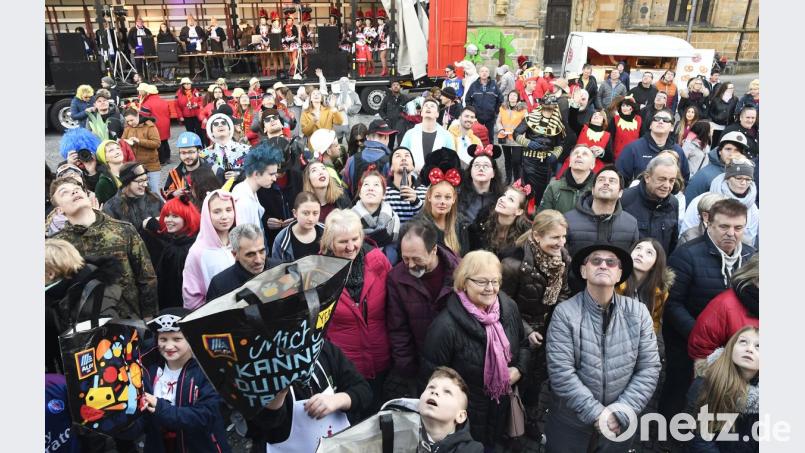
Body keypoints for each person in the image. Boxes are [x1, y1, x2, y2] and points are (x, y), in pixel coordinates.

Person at [544, 243, 661, 452]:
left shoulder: (639, 313)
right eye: (596, 260)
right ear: (583, 271)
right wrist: (598, 414)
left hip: (619, 423)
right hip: (570, 422)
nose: (603, 265)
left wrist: (620, 413)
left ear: (620, 274)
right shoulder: (565, 313)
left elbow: (649, 368)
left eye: (611, 262)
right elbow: (561, 372)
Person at [421, 250, 530, 449]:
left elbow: (523, 345)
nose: (490, 288)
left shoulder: (509, 307)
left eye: (495, 281)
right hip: (467, 421)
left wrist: (519, 369)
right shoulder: (445, 327)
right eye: (482, 282)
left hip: (502, 411)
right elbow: (433, 376)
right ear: (464, 282)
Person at [659, 198, 756, 420]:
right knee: (679, 391)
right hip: (686, 341)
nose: (731, 233)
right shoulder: (686, 255)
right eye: (724, 226)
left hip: (734, 344)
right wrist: (700, 334)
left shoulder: (751, 256)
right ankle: (666, 431)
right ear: (709, 224)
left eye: (738, 228)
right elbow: (672, 304)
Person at [499, 209, 571, 440]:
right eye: (555, 237)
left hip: (548, 330)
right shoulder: (512, 264)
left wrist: (558, 320)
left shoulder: (562, 259)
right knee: (516, 381)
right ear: (537, 236)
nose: (561, 243)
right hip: (519, 333)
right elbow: (503, 305)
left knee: (536, 381)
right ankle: (509, 427)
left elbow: (563, 292)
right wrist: (528, 330)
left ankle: (529, 420)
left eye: (563, 237)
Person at [121, 308, 231, 452]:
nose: (168, 346)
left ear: (191, 338)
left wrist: (161, 409)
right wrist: (121, 422)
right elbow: (143, 421)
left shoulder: (207, 370)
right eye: (163, 339)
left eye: (177, 339)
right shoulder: (148, 370)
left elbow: (205, 416)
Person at [48, 177, 157, 319]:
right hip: (81, 324)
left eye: (77, 189)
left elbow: (146, 276)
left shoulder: (123, 230)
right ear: (59, 210)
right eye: (64, 192)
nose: (74, 192)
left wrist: (148, 317)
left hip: (128, 320)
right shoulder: (58, 245)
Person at [320, 209, 392, 414]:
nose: (351, 247)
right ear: (330, 242)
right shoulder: (318, 272)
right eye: (343, 242)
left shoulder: (378, 261)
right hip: (346, 367)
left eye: (355, 239)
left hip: (382, 360)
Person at [248, 338, 371, 450]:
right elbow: (264, 427)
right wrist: (280, 389)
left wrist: (339, 400)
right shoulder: (259, 369)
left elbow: (364, 390)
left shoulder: (325, 350)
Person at [386, 219, 461, 392]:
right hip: (420, 366)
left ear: (433, 250)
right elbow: (398, 329)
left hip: (457, 363)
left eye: (417, 259)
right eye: (405, 258)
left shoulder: (460, 272)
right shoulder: (396, 278)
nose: (411, 265)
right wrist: (407, 369)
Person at [45, 239, 122, 373]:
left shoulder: (92, 298)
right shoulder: (62, 292)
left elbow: (104, 345)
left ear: (51, 274)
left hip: (92, 372)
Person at [685, 327, 759, 453]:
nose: (749, 349)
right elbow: (700, 437)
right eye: (743, 342)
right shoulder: (709, 380)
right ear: (731, 348)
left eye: (758, 346)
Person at [688, 254, 759, 364]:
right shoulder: (725, 304)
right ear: (754, 278)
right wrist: (725, 373)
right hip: (730, 373)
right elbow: (701, 351)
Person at [564, 165, 639, 258]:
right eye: (601, 180)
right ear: (593, 190)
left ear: (620, 193)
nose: (606, 183)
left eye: (612, 181)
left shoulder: (631, 224)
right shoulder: (568, 220)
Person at [683, 157, 759, 246]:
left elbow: (750, 241)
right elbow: (688, 233)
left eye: (748, 179)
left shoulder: (752, 208)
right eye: (739, 178)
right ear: (727, 178)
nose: (743, 183)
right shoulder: (701, 200)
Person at [182, 189, 236, 309]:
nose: (224, 216)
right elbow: (191, 298)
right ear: (207, 214)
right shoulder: (197, 252)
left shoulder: (240, 243)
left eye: (228, 210)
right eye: (217, 211)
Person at [620, 154, 680, 254]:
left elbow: (672, 243)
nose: (667, 185)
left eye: (671, 181)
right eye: (662, 179)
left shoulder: (673, 203)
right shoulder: (625, 200)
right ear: (647, 177)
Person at [514, 94, 566, 208]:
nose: (549, 109)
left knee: (541, 190)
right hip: (529, 161)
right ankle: (523, 209)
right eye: (547, 106)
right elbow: (516, 133)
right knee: (527, 187)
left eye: (551, 107)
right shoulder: (530, 118)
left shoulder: (557, 124)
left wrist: (554, 155)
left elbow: (560, 144)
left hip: (545, 164)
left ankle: (537, 210)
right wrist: (528, 143)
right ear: (542, 105)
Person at [418, 367, 486, 452]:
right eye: (431, 387)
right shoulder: (402, 428)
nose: (435, 392)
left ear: (460, 416)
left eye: (447, 392)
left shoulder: (471, 450)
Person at [616, 108, 689, 186]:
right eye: (656, 119)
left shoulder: (678, 151)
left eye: (665, 120)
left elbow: (684, 180)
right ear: (650, 125)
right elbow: (620, 178)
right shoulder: (633, 148)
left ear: (672, 128)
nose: (660, 121)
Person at [616, 239, 674, 335]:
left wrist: (646, 338)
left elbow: (654, 322)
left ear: (656, 264)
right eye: (638, 248)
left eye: (649, 253)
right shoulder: (615, 281)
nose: (640, 254)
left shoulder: (659, 292)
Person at [413, 149, 465, 256]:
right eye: (437, 196)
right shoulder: (417, 225)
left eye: (447, 197)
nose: (442, 202)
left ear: (454, 199)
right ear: (429, 197)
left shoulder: (461, 225)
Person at [102, 163, 165, 249]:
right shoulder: (111, 207)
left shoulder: (155, 199)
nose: (145, 184)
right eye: (140, 181)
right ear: (127, 182)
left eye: (146, 179)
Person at [205, 224, 268, 301]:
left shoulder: (279, 269)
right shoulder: (219, 285)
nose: (258, 260)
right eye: (250, 254)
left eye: (262, 251)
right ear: (235, 254)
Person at [231, 142, 282, 235]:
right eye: (271, 174)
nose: (274, 179)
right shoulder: (243, 200)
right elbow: (244, 237)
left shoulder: (248, 192)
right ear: (256, 174)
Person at [468, 180, 532, 254]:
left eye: (510, 199)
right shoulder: (483, 220)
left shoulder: (524, 236)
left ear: (519, 211)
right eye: (504, 195)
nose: (502, 199)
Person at [685, 130, 750, 201]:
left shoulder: (746, 175)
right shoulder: (704, 175)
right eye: (728, 149)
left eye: (737, 150)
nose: (732, 154)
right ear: (720, 151)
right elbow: (690, 202)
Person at [352, 171, 401, 263]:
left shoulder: (394, 220)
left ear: (383, 195)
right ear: (360, 193)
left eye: (376, 185)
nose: (371, 188)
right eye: (366, 184)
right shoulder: (349, 220)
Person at [399, 98, 456, 172]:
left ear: (437, 114)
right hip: (413, 176)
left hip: (438, 177)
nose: (428, 107)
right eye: (426, 106)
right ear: (421, 113)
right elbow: (401, 156)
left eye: (432, 106)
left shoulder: (447, 136)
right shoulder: (410, 134)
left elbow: (452, 160)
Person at [342, 119, 396, 196]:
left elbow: (344, 189)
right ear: (386, 137)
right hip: (381, 203)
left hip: (355, 203)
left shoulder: (351, 160)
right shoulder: (391, 162)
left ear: (367, 137)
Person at [540, 145, 597, 214]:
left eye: (585, 154)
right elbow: (542, 217)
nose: (579, 155)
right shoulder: (554, 187)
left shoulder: (598, 189)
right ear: (570, 162)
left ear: (592, 165)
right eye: (576, 153)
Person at [458, 145, 504, 230]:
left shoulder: (501, 199)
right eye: (476, 165)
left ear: (493, 173)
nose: (481, 169)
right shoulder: (458, 195)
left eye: (486, 166)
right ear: (470, 171)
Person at [271, 191, 324, 263]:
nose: (311, 218)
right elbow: (277, 267)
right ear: (295, 213)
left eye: (315, 213)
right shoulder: (281, 239)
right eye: (306, 213)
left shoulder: (326, 232)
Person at [201, 110, 251, 184]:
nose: (220, 125)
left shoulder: (246, 149)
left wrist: (239, 175)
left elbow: (253, 172)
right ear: (212, 132)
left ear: (230, 129)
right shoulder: (204, 154)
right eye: (215, 124)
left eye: (223, 123)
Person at [121, 108, 162, 195]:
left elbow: (157, 143)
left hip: (151, 166)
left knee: (154, 192)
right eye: (128, 121)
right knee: (140, 193)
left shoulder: (149, 126)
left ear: (138, 116)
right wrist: (125, 142)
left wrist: (139, 141)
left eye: (132, 120)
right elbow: (123, 141)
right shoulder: (127, 128)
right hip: (136, 167)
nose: (130, 123)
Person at [384, 147, 428, 224]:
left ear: (413, 166)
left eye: (407, 155)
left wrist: (416, 202)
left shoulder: (425, 191)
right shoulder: (383, 191)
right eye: (398, 156)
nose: (403, 159)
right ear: (391, 167)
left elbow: (430, 220)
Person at [163, 131, 211, 200]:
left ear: (199, 151)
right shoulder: (175, 173)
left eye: (191, 152)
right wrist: (173, 194)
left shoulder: (210, 170)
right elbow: (166, 194)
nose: (187, 156)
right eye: (183, 153)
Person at [496, 90, 527, 184]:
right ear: (508, 97)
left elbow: (526, 122)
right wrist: (501, 129)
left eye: (514, 96)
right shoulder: (503, 107)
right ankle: (508, 178)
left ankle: (517, 179)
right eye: (511, 95)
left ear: (518, 98)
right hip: (505, 136)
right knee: (507, 159)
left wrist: (519, 132)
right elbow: (498, 121)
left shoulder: (523, 109)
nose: (512, 97)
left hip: (517, 138)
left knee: (516, 160)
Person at [465, 66, 502, 140]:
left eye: (486, 71)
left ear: (488, 73)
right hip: (477, 117)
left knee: (490, 137)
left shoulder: (494, 85)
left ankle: (490, 147)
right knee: (476, 136)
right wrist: (472, 113)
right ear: (479, 73)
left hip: (490, 117)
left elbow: (500, 99)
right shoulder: (474, 85)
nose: (484, 73)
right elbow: (468, 99)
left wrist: (495, 111)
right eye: (482, 71)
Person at [608, 95, 642, 160]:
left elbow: (642, 137)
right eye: (623, 106)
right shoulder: (615, 119)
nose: (625, 108)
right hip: (618, 155)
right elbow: (610, 138)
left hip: (634, 154)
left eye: (628, 106)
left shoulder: (638, 119)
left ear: (632, 108)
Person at [378, 79, 410, 147]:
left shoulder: (404, 98)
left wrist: (405, 119)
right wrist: (385, 118)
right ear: (391, 88)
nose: (396, 86)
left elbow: (409, 110)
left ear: (400, 87)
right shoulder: (387, 98)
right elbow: (381, 110)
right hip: (390, 123)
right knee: (390, 143)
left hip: (401, 123)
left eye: (397, 85)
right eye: (394, 85)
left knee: (401, 143)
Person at [94, 140, 126, 204]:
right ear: (104, 157)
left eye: (118, 148)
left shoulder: (134, 170)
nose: (117, 152)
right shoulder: (104, 183)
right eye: (111, 150)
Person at [178, 79, 206, 144]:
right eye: (186, 84)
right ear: (182, 85)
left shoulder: (196, 92)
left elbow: (201, 101)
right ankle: (193, 145)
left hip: (196, 116)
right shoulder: (179, 94)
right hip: (187, 117)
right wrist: (180, 116)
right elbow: (177, 106)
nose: (188, 85)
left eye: (189, 84)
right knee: (190, 133)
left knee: (200, 132)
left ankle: (201, 145)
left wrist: (197, 105)